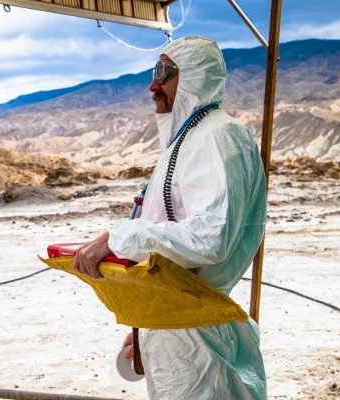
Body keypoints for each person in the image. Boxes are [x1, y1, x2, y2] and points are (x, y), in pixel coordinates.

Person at [73, 36, 267, 399]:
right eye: (153, 72)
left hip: (198, 338)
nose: (152, 85)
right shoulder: (189, 138)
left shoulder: (218, 137)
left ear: (194, 76)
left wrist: (117, 239)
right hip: (177, 326)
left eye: (164, 72)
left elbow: (211, 238)